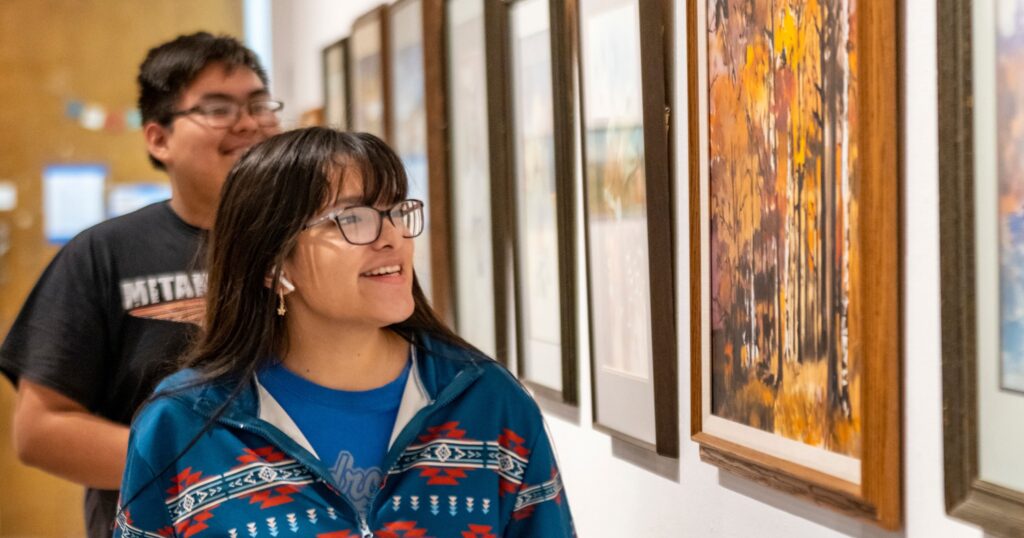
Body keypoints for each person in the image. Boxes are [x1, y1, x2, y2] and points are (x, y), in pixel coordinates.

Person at [113, 128, 576, 537]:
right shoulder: (183, 425)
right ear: (274, 265)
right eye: (352, 219)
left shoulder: (488, 403)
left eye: (396, 210)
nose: (392, 235)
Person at [0, 32, 282, 537]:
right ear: (158, 139)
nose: (248, 123)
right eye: (217, 108)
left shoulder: (315, 241)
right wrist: (208, 469)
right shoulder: (103, 254)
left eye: (259, 104)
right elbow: (39, 431)